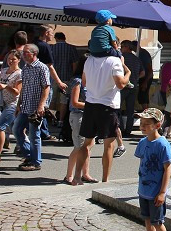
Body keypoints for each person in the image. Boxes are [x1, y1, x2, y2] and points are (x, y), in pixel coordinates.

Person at [70, 50, 128, 183]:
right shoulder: (115, 61)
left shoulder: (89, 60)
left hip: (91, 104)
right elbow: (121, 84)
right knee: (108, 145)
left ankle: (77, 176)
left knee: (86, 143)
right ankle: (105, 180)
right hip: (108, 106)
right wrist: (128, 72)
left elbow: (84, 82)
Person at [134, 108, 171, 231]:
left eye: (147, 124)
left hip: (156, 191)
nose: (142, 126)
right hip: (144, 190)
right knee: (148, 220)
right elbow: (142, 162)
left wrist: (162, 192)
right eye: (141, 123)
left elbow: (167, 169)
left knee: (158, 221)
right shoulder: (143, 142)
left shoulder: (163, 144)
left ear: (157, 125)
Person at [12, 44, 50, 172]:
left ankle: (36, 161)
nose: (23, 54)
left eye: (25, 52)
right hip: (25, 106)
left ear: (34, 54)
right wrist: (19, 104)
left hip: (35, 108)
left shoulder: (41, 67)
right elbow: (24, 88)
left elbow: (46, 87)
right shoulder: (26, 68)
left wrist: (41, 105)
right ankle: (29, 155)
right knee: (16, 130)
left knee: (34, 135)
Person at [61, 61, 96, 185]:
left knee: (89, 145)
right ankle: (69, 175)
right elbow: (74, 102)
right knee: (79, 147)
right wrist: (92, 106)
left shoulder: (91, 80)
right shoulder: (77, 81)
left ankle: (85, 173)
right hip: (78, 116)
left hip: (88, 116)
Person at [49, 32, 79, 131]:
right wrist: (72, 73)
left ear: (56, 38)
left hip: (54, 77)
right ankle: (61, 120)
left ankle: (52, 119)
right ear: (64, 38)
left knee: (52, 99)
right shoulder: (71, 48)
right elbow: (75, 63)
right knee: (64, 100)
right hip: (67, 77)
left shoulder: (51, 48)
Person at [119, 40, 143, 139]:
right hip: (133, 86)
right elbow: (143, 73)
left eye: (122, 46)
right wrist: (136, 78)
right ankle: (128, 130)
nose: (121, 48)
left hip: (123, 85)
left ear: (126, 47)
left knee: (117, 108)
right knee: (130, 110)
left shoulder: (121, 58)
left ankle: (120, 128)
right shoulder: (137, 59)